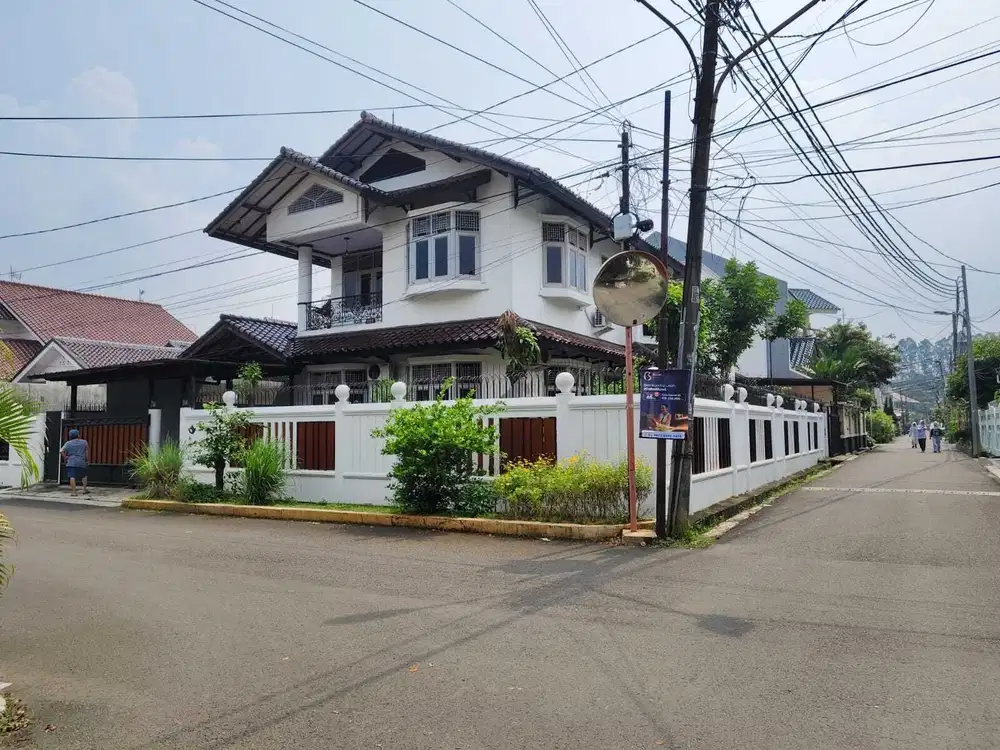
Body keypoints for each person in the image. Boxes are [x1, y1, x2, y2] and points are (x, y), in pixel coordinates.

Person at [60, 429, 89, 496]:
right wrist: (87, 460)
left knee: (72, 476)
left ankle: (74, 492)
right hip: (81, 461)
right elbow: (86, 452)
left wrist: (65, 457)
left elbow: (61, 451)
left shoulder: (68, 443)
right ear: (78, 435)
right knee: (84, 475)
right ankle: (84, 490)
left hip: (71, 462)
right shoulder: (84, 442)